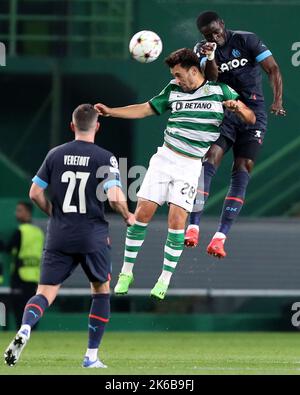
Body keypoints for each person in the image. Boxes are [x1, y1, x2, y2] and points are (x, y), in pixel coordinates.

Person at [94, 48, 255, 300]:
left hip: (190, 166)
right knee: (142, 213)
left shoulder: (220, 91)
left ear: (194, 70)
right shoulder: (173, 90)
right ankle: (126, 272)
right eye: (174, 75)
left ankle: (164, 279)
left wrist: (237, 108)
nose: (177, 79)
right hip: (165, 158)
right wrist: (111, 111)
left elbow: (250, 116)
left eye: (179, 74)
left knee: (177, 220)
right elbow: (145, 109)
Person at [4, 104, 135, 368]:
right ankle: (91, 356)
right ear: (97, 126)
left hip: (59, 234)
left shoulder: (55, 155)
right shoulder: (105, 157)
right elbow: (114, 197)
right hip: (92, 235)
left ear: (72, 126)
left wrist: (53, 212)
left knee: (45, 292)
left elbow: (34, 193)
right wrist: (127, 215)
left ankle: (27, 327)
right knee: (100, 291)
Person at [184, 11, 286, 257]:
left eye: (217, 32)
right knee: (209, 159)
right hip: (224, 112)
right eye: (209, 35)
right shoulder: (202, 49)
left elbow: (272, 69)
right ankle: (193, 227)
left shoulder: (247, 40)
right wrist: (209, 56)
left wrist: (278, 101)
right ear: (203, 35)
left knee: (243, 167)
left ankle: (220, 237)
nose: (215, 37)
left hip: (253, 113)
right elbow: (211, 78)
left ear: (222, 25)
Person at [0, 201, 44, 328]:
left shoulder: (20, 231)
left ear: (28, 213)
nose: (16, 213)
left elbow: (8, 249)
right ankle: (33, 338)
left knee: (20, 314)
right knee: (33, 310)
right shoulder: (39, 233)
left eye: (20, 210)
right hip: (35, 277)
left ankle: (22, 337)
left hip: (20, 276)